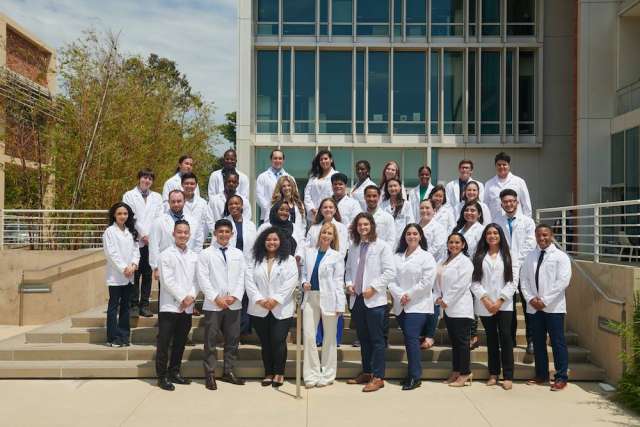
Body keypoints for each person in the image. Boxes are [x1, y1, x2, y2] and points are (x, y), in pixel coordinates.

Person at [345, 213, 395, 392]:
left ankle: (378, 376)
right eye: (359, 225)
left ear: (372, 225)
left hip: (375, 301)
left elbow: (390, 271)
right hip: (357, 299)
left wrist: (374, 288)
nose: (362, 228)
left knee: (377, 340)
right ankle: (367, 372)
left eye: (366, 224)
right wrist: (349, 284)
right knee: (363, 339)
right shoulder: (354, 246)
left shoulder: (382, 246)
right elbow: (349, 269)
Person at [197, 219, 248, 390]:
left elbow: (242, 276)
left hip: (234, 304)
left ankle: (228, 371)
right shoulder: (206, 253)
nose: (224, 235)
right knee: (210, 340)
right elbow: (202, 278)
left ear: (232, 234)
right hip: (214, 305)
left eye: (227, 232)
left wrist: (235, 296)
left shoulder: (238, 254)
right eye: (221, 232)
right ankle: (210, 374)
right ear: (215, 233)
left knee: (233, 340)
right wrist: (215, 297)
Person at [520, 224, 572, 391]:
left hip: (553, 308)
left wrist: (545, 300)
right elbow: (524, 281)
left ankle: (561, 377)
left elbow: (563, 281)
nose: (542, 238)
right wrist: (531, 299)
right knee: (538, 342)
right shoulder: (530, 257)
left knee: (557, 342)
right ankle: (541, 374)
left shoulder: (561, 257)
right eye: (539, 235)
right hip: (534, 308)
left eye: (545, 235)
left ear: (551, 235)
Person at [245, 227, 299, 388]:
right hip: (259, 308)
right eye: (268, 239)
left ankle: (279, 373)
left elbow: (290, 282)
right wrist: (259, 299)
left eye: (275, 239)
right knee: (265, 342)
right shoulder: (254, 259)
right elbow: (249, 281)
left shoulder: (289, 260)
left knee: (278, 340)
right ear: (263, 241)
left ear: (280, 242)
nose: (271, 242)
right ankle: (268, 372)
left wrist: (275, 300)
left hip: (281, 308)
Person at [389, 224, 436, 390]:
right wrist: (400, 295)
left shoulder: (427, 257)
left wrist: (408, 294)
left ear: (420, 236)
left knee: (411, 339)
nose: (412, 236)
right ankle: (411, 373)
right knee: (410, 340)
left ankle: (415, 376)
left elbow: (427, 282)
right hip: (401, 305)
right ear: (404, 237)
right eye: (408, 233)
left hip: (418, 305)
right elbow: (391, 279)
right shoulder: (397, 256)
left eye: (415, 233)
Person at [471, 224, 516, 390]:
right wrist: (486, 299)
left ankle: (508, 375)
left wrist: (499, 301)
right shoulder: (479, 255)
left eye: (495, 233)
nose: (492, 235)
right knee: (491, 339)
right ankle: (493, 373)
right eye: (489, 233)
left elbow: (513, 281)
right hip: (485, 304)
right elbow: (474, 281)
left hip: (504, 304)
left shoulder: (510, 255)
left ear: (500, 235)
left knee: (505, 338)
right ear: (485, 236)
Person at [300, 222, 345, 388]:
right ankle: (311, 374)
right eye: (324, 232)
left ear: (334, 237)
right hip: (311, 298)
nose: (326, 235)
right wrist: (304, 282)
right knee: (310, 336)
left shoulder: (337, 256)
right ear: (319, 235)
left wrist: (341, 304)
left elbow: (339, 281)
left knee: (329, 338)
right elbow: (304, 273)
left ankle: (327, 374)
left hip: (330, 299)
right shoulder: (309, 252)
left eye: (330, 233)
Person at [156, 220, 198, 391]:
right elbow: (167, 281)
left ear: (189, 234)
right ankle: (162, 376)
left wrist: (191, 297)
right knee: (164, 343)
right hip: (170, 306)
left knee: (180, 342)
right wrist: (183, 298)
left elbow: (197, 280)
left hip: (186, 307)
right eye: (179, 232)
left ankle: (175, 372)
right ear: (173, 234)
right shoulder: (165, 255)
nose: (183, 235)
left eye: (186, 232)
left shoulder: (195, 256)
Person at [495, 188, 537, 354]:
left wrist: (516, 263)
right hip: (505, 269)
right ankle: (509, 339)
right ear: (502, 204)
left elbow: (530, 243)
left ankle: (531, 340)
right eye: (505, 202)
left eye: (511, 201)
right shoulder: (497, 221)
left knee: (528, 304)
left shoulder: (528, 222)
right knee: (507, 304)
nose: (509, 204)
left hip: (524, 268)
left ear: (517, 202)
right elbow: (496, 242)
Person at [435, 232, 474, 387]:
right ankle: (456, 371)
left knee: (463, 342)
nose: (454, 245)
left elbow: (461, 284)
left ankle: (465, 373)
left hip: (460, 308)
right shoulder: (444, 260)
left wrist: (446, 300)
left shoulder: (465, 262)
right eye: (451, 242)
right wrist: (438, 297)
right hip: (448, 308)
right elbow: (437, 280)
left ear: (463, 245)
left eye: (457, 242)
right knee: (455, 343)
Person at [122, 168, 162, 317]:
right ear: (139, 179)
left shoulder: (157, 197)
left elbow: (159, 217)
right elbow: (130, 216)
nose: (147, 181)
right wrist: (143, 234)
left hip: (151, 241)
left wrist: (151, 236)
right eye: (145, 178)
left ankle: (144, 304)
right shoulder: (129, 195)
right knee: (135, 273)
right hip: (135, 239)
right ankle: (133, 305)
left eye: (150, 179)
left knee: (147, 273)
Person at [102, 202, 139, 347]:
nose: (122, 216)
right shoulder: (109, 232)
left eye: (125, 213)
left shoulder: (131, 231)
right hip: (116, 276)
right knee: (113, 307)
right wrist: (124, 268)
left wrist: (134, 265)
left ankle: (124, 336)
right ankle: (112, 337)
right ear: (114, 215)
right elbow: (111, 254)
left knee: (125, 307)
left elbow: (136, 251)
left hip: (130, 275)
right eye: (119, 214)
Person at [224, 195, 258, 338]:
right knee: (232, 297)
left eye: (236, 203)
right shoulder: (224, 223)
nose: (234, 206)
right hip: (229, 266)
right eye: (231, 204)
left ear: (242, 205)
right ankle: (229, 331)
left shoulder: (250, 225)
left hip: (248, 265)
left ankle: (243, 330)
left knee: (246, 297)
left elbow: (255, 247)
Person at [416, 198, 447, 349]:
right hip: (417, 269)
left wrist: (420, 257)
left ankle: (429, 335)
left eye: (428, 208)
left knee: (433, 300)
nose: (424, 211)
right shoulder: (417, 226)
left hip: (433, 267)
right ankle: (421, 333)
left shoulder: (438, 228)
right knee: (421, 299)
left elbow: (437, 247)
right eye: (422, 208)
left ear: (434, 211)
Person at [149, 190, 197, 282]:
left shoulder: (192, 221)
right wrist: (155, 267)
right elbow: (153, 245)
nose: (176, 204)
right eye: (173, 201)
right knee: (166, 295)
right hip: (166, 265)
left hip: (187, 264)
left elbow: (197, 243)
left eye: (179, 201)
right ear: (168, 202)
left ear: (184, 201)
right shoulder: (159, 221)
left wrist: (196, 261)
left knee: (186, 293)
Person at [484, 151, 532, 220]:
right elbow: (485, 207)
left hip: (517, 222)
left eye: (504, 164)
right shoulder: (489, 184)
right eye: (499, 165)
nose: (501, 167)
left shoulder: (519, 182)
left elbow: (526, 205)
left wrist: (527, 222)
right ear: (495, 166)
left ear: (509, 166)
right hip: (496, 224)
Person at [256, 149, 295, 223]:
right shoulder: (262, 176)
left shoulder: (290, 177)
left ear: (283, 160)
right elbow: (259, 196)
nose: (277, 160)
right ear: (271, 159)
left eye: (280, 158)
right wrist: (271, 209)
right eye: (275, 158)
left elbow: (293, 196)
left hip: (286, 216)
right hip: (267, 216)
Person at [271, 175, 306, 245]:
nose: (287, 188)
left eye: (289, 185)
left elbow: (303, 224)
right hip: (280, 239)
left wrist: (301, 237)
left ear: (292, 187)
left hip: (297, 239)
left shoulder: (299, 204)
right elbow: (270, 223)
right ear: (280, 188)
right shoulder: (275, 204)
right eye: (284, 186)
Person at [304, 150, 338, 220]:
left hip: (329, 214)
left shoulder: (336, 175)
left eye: (326, 159)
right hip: (314, 214)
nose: (323, 161)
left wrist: (325, 210)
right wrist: (312, 209)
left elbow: (337, 195)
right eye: (321, 159)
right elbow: (307, 194)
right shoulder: (313, 177)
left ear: (331, 160)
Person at [381, 178, 415, 246]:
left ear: (400, 187)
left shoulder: (406, 204)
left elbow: (410, 223)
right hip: (386, 240)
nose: (393, 188)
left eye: (395, 186)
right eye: (390, 186)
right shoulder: (383, 205)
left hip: (401, 241)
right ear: (387, 189)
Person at [181, 172, 209, 254]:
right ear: (182, 185)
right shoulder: (177, 201)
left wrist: (200, 240)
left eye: (192, 184)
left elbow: (205, 224)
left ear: (196, 185)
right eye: (186, 183)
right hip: (179, 242)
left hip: (197, 244)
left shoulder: (202, 202)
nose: (189, 186)